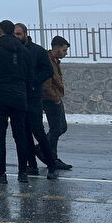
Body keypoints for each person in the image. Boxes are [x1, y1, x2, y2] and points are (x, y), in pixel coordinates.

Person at [0, 19, 32, 183]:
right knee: (21, 136)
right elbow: (29, 75)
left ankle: (1, 172)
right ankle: (23, 173)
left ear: (0, 31)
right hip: (19, 97)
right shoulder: (24, 51)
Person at [15, 23, 59, 180]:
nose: (17, 37)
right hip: (20, 98)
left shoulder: (38, 51)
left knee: (38, 131)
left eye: (19, 34)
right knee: (24, 133)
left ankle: (51, 165)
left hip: (33, 98)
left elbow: (48, 70)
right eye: (15, 34)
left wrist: (34, 82)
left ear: (26, 34)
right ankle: (31, 165)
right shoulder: (14, 51)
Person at [42, 36, 72, 170]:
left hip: (56, 98)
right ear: (56, 48)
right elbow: (46, 85)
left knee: (62, 127)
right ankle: (51, 158)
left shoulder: (55, 60)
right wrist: (55, 99)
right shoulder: (48, 60)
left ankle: (42, 149)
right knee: (56, 129)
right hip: (51, 100)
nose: (65, 53)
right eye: (64, 50)